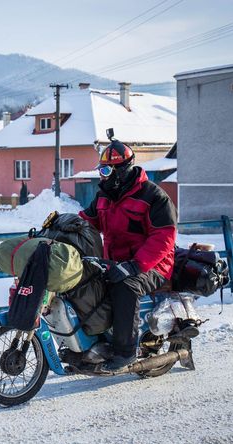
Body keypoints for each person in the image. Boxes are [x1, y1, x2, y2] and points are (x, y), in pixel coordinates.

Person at [79, 138, 177, 372]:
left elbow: (164, 237)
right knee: (85, 281)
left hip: (154, 265)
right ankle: (96, 341)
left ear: (122, 170)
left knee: (126, 286)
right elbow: (87, 222)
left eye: (106, 170)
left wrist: (135, 266)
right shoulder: (104, 195)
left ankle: (125, 351)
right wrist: (65, 228)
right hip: (114, 262)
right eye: (101, 170)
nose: (102, 176)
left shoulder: (153, 196)